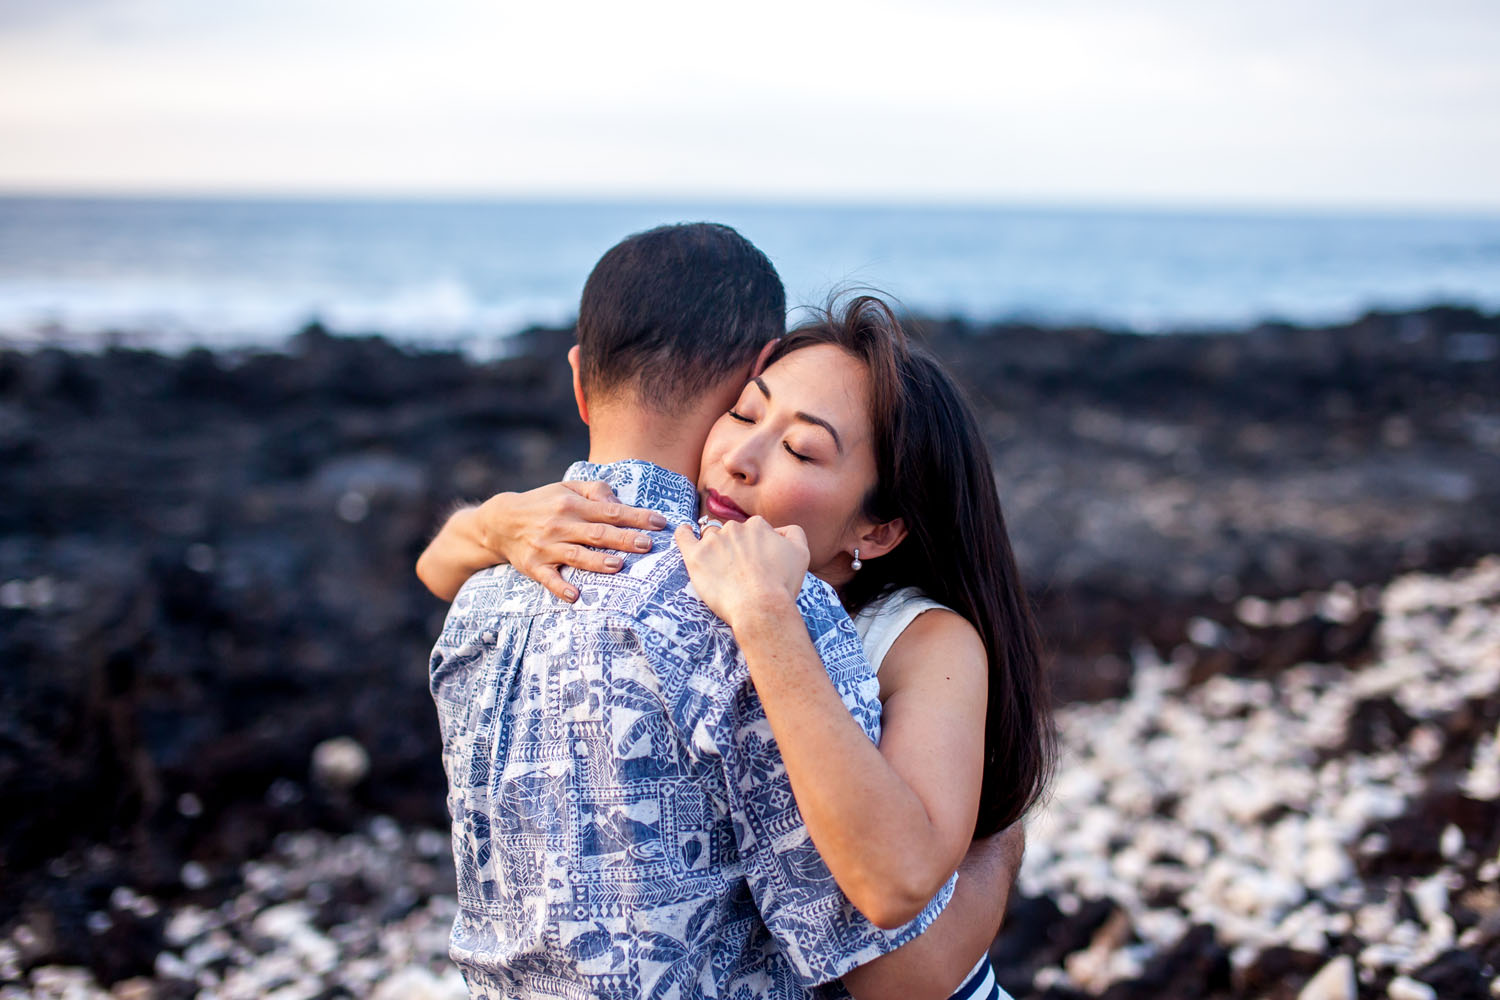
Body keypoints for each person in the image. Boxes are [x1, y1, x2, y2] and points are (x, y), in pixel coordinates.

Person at [425, 223, 1023, 1000]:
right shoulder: (646, 564)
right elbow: (440, 567)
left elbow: (907, 966)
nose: (742, 457)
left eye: (803, 451)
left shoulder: (910, 637)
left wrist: (1001, 838)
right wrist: (493, 522)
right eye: (743, 413)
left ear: (877, 528)